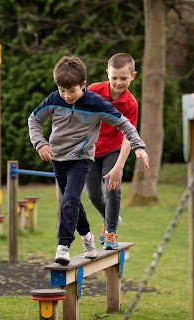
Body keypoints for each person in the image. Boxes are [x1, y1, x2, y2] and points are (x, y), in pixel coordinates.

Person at [28, 55, 149, 265]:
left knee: (75, 198)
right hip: (59, 158)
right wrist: (41, 143)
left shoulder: (97, 102)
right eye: (62, 90)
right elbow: (34, 119)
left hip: (85, 157)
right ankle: (87, 238)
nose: (66, 96)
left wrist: (137, 147)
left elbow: (125, 125)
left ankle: (65, 245)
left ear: (83, 86)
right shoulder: (56, 98)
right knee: (79, 199)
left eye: (72, 91)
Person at [85, 53, 138, 250]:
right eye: (114, 77)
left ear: (133, 76)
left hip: (114, 150)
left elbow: (128, 136)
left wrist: (119, 166)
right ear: (107, 73)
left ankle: (111, 231)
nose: (118, 82)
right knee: (93, 196)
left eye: (123, 78)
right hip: (90, 150)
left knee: (113, 190)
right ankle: (109, 218)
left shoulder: (131, 104)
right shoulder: (93, 91)